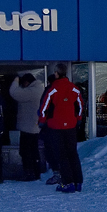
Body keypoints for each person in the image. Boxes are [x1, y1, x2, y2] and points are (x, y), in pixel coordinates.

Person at [40, 65, 86, 193]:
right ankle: (78, 182)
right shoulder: (74, 88)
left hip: (56, 125)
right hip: (71, 125)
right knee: (73, 153)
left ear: (56, 73)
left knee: (62, 155)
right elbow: (81, 104)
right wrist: (78, 118)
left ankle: (68, 182)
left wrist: (42, 121)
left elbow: (44, 108)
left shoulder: (53, 89)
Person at [10, 72, 46, 181]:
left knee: (26, 151)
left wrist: (15, 80)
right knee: (33, 150)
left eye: (23, 83)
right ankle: (36, 172)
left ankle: (30, 173)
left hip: (28, 127)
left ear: (27, 82)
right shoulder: (39, 89)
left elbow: (14, 92)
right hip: (34, 126)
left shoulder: (32, 91)